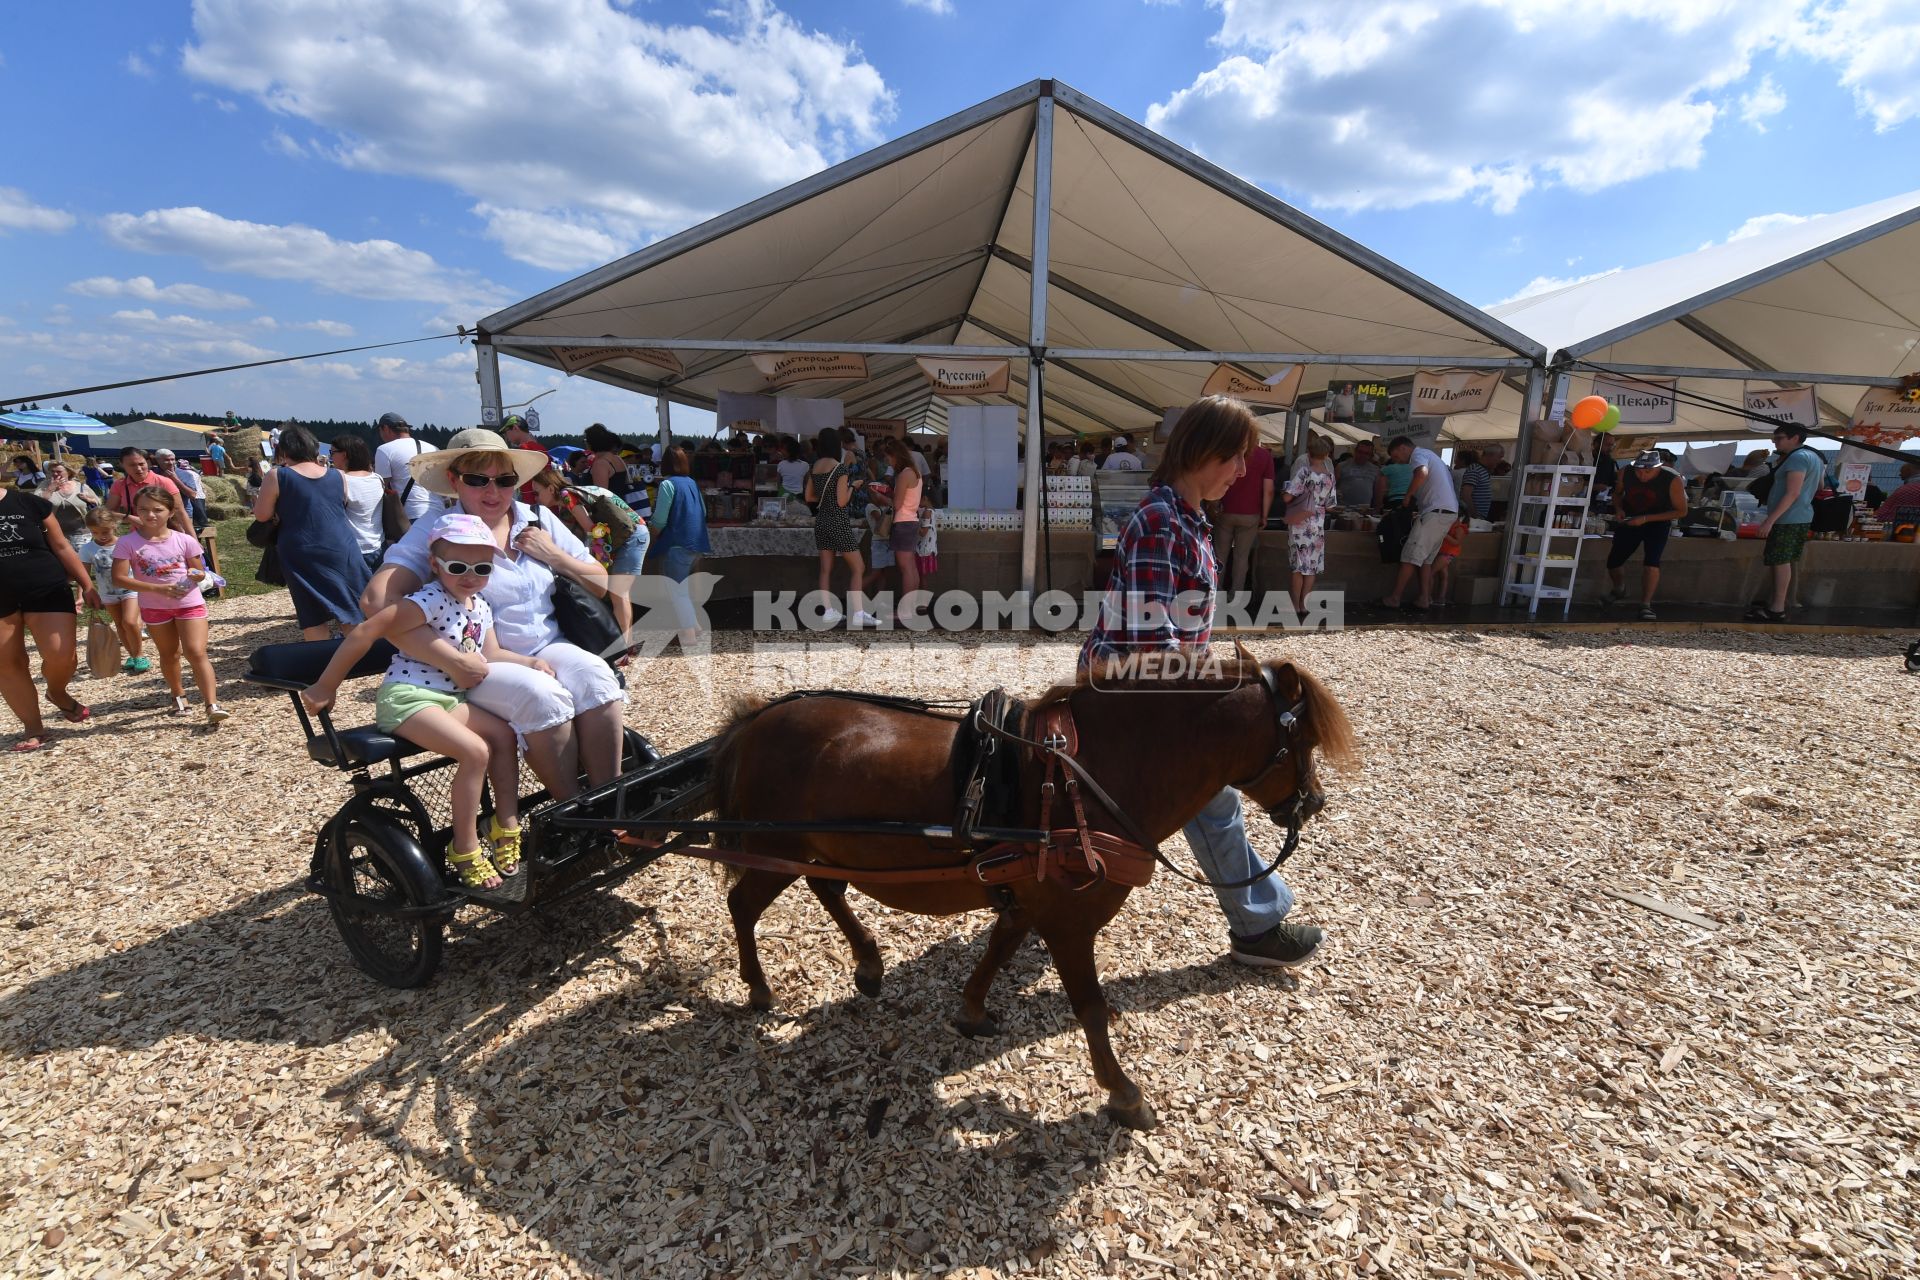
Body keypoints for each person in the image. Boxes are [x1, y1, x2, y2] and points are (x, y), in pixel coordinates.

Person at [1080, 395, 1323, 969]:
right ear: (1201, 451)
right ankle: (1258, 928)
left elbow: (1171, 631)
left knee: (1186, 801)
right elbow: (1149, 632)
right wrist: (1214, 695)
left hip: (1147, 688)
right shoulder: (1163, 519)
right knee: (1212, 800)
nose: (1242, 473)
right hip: (1129, 695)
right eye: (1235, 458)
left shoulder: (1186, 516)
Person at [365, 428, 624, 801]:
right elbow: (376, 602)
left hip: (546, 645)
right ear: (454, 481)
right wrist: (450, 658)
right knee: (542, 695)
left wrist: (555, 556)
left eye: (504, 480)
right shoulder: (439, 530)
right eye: (477, 480)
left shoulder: (537, 520)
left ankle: (610, 801)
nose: (493, 492)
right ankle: (573, 811)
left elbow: (602, 584)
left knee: (596, 678)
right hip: (484, 659)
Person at [304, 513, 537, 890]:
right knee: (476, 752)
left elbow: (491, 653)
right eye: (458, 566)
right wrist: (326, 686)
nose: (470, 576)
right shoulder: (429, 598)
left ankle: (505, 823)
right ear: (435, 565)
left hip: (446, 698)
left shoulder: (479, 605)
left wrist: (532, 663)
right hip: (408, 698)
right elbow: (365, 632)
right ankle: (464, 848)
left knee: (505, 735)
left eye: (482, 567)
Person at [112, 486, 227, 724]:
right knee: (169, 653)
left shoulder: (184, 540)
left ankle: (211, 703)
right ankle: (178, 695)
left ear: (170, 511)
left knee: (196, 652)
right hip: (154, 607)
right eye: (144, 509)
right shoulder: (127, 542)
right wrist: (158, 588)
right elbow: (119, 578)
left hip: (189, 603)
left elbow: (197, 568)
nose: (151, 515)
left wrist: (196, 576)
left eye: (157, 510)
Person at [0, 477, 98, 750]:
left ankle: (56, 692)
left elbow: (62, 546)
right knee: (7, 664)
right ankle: (33, 728)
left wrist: (86, 584)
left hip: (45, 586)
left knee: (61, 653)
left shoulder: (29, 502)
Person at [253, 425, 372, 641]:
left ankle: (322, 663)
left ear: (285, 450)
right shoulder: (338, 475)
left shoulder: (277, 475)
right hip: (340, 546)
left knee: (313, 614)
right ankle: (357, 659)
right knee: (350, 608)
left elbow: (262, 515)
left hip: (301, 549)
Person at [527, 466, 649, 660]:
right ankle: (624, 644)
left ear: (550, 488)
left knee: (618, 593)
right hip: (629, 535)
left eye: (537, 493)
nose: (536, 498)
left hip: (632, 537)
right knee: (618, 592)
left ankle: (623, 648)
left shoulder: (567, 496)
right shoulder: (570, 497)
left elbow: (591, 530)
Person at [1747, 424, 1823, 621]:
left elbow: (1792, 492)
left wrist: (1769, 521)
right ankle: (1776, 604)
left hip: (1787, 517)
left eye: (1780, 437)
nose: (1775, 441)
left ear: (1795, 438)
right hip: (1801, 515)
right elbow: (1820, 485)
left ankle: (1777, 608)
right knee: (1782, 560)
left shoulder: (1797, 458)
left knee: (1780, 561)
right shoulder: (1814, 457)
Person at [1380, 435, 1459, 612]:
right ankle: (1424, 598)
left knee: (1410, 556)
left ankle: (1395, 597)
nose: (1396, 461)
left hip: (1435, 511)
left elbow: (1422, 472)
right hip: (1446, 512)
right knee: (1426, 560)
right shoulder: (1430, 455)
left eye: (1395, 456)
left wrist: (1408, 496)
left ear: (1402, 448)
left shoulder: (1418, 455)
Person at [1605, 450, 1688, 620]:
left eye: (1648, 471)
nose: (1642, 475)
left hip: (1658, 522)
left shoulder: (1672, 479)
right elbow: (1617, 494)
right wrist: (1619, 509)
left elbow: (1681, 511)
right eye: (1639, 471)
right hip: (1630, 518)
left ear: (1658, 468)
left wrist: (1646, 519)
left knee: (1652, 563)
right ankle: (1619, 588)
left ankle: (1645, 604)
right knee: (1614, 561)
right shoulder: (1625, 472)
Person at [808, 427, 877, 627]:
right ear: (836, 444)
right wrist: (853, 487)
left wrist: (826, 495)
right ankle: (858, 613)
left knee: (825, 569)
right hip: (837, 521)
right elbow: (841, 501)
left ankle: (828, 611)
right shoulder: (839, 469)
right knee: (858, 567)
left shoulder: (814, 466)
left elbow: (809, 497)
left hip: (821, 521)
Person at [647, 445, 713, 650]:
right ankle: (696, 626)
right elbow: (703, 511)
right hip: (696, 543)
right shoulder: (692, 483)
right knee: (684, 590)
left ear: (665, 463)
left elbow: (659, 519)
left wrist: (651, 537)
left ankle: (688, 635)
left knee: (678, 592)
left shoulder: (667, 484)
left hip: (676, 544)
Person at [80, 506, 147, 673]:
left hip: (130, 589)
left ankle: (139, 654)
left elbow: (139, 566)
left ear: (114, 526)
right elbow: (83, 575)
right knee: (120, 624)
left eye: (105, 531)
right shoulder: (87, 549)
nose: (101, 536)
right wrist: (82, 595)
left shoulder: (125, 543)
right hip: (108, 593)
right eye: (95, 532)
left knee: (130, 622)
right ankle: (131, 654)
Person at [1282, 435, 1336, 611]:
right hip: (1318, 523)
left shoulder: (1304, 472)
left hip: (1300, 523)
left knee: (1298, 567)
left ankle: (1294, 605)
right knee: (1311, 568)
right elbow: (1331, 505)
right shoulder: (1330, 477)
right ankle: (1304, 606)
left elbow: (1287, 497)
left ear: (1309, 453)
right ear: (1327, 455)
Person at [1216, 438, 1274, 598]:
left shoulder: (1231, 451)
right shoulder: (1264, 456)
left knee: (1220, 554)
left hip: (1226, 510)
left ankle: (1216, 592)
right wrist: (1265, 515)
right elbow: (1268, 490)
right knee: (1241, 557)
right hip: (1250, 513)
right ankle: (1236, 595)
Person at [871, 436, 925, 602]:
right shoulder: (914, 472)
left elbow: (897, 505)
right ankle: (910, 607)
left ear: (895, 456)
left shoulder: (904, 474)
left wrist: (881, 498)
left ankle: (906, 610)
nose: (888, 463)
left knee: (906, 568)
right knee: (911, 567)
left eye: (888, 458)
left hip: (903, 523)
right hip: (912, 521)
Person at [329, 435, 387, 573]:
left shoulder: (340, 480)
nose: (330, 457)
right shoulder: (377, 478)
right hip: (378, 544)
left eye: (332, 452)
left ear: (344, 454)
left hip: (353, 548)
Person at [106, 448, 192, 536]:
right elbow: (107, 513)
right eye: (132, 465)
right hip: (138, 537)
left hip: (167, 535)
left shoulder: (164, 482)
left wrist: (193, 540)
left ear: (148, 462)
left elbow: (180, 513)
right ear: (122, 465)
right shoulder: (119, 485)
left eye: (141, 464)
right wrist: (130, 518)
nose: (138, 468)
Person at [373, 411, 438, 525]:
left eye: (380, 430)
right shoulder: (433, 448)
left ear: (386, 428)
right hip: (438, 512)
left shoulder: (384, 450)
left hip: (410, 514)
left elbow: (381, 487)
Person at [37, 460, 100, 552]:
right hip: (55, 533)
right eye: (53, 471)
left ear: (68, 472)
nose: (55, 474)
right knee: (62, 562)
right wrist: (50, 489)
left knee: (80, 560)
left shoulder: (81, 486)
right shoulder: (44, 485)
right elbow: (36, 503)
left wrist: (88, 499)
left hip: (80, 532)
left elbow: (97, 502)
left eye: (58, 471)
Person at [154, 449, 207, 532]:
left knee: (182, 539)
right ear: (158, 460)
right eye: (166, 460)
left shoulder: (186, 474)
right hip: (158, 514)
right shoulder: (153, 473)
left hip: (182, 514)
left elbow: (192, 495)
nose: (171, 463)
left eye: (172, 459)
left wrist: (175, 479)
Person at [582, 423, 631, 492]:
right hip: (620, 501)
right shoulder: (618, 458)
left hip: (607, 502)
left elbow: (601, 496)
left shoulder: (600, 464)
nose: (585, 442)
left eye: (585, 440)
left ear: (591, 442)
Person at [1335, 439, 1381, 510]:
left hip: (1364, 511)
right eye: (1360, 452)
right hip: (1343, 511)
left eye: (1366, 453)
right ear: (1355, 451)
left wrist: (1376, 510)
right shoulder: (1341, 466)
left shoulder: (1375, 469)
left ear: (1371, 455)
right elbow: (1331, 488)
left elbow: (1377, 493)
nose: (1362, 455)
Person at [1432, 516, 1469, 605]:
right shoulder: (1450, 525)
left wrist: (1445, 535)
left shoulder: (1459, 527)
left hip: (1447, 554)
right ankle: (1441, 598)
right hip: (1444, 553)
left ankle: (1427, 597)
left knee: (1430, 573)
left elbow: (1456, 542)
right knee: (1444, 576)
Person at [1455, 448, 1491, 521]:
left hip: (1472, 516)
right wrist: (1473, 515)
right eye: (1499, 457)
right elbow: (1465, 494)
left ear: (1462, 460)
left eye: (1456, 458)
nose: (1455, 461)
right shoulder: (1475, 470)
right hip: (1472, 516)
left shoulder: (1477, 470)